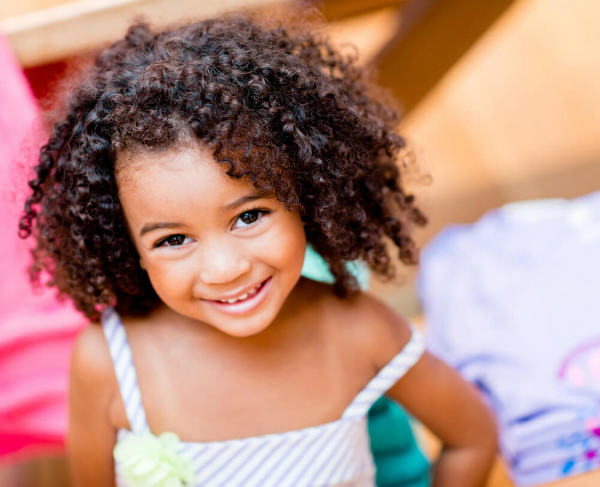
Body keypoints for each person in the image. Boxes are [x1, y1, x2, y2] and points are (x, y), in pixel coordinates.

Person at [19, 14, 497, 487]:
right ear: (130, 246)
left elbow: (471, 438)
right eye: (172, 240)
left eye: (249, 216)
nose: (225, 268)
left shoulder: (360, 332)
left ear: (306, 199)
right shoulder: (108, 362)